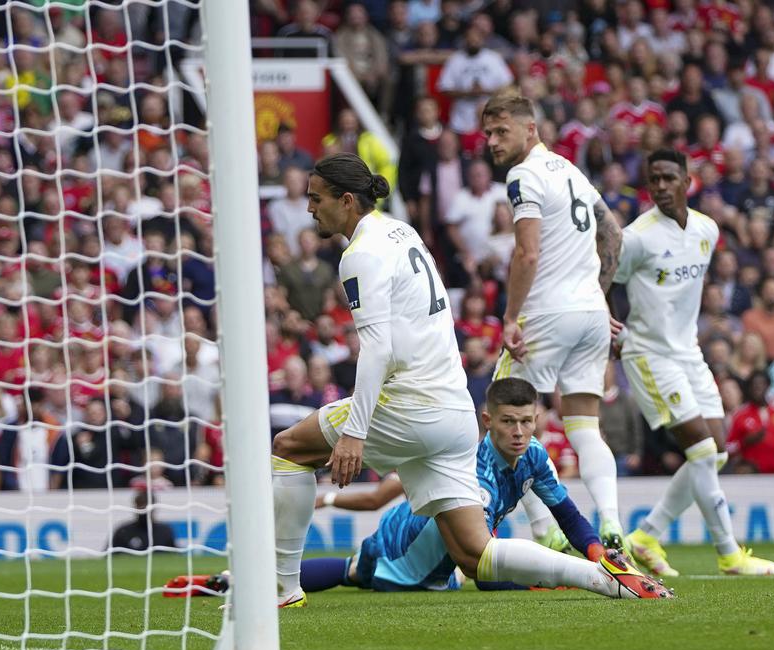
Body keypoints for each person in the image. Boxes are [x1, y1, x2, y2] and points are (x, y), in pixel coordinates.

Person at [269, 153, 667, 610]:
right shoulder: (402, 231)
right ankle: (605, 578)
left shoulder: (358, 254)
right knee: (474, 554)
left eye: (316, 199)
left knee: (288, 449)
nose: (309, 209)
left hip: (409, 404)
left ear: (345, 200)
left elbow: (377, 348)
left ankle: (281, 591)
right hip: (454, 412)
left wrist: (355, 433)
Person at [299, 379, 662, 597]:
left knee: (353, 572)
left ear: (536, 420)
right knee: (357, 572)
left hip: (434, 551)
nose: (518, 433)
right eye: (508, 422)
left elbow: (567, 514)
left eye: (525, 422)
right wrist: (553, 580)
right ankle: (254, 582)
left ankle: (255, 581)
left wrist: (600, 555)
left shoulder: (534, 454)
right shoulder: (478, 474)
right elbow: (484, 571)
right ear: (487, 421)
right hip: (402, 546)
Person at [612, 149, 774, 577]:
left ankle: (646, 536)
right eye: (654, 179)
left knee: (717, 452)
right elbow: (603, 277)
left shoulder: (707, 230)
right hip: (649, 354)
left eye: (670, 177)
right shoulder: (636, 237)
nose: (661, 186)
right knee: (703, 450)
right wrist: (608, 323)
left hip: (689, 352)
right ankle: (729, 554)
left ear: (688, 182)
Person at [482, 91, 628, 554]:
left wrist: (509, 317)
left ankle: (544, 530)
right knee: (585, 425)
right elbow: (614, 235)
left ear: (531, 129)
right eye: (487, 133)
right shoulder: (571, 170)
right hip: (589, 314)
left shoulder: (523, 176)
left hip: (545, 313)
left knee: (506, 421)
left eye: (501, 131)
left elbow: (527, 252)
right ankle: (611, 522)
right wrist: (598, 298)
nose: (491, 141)